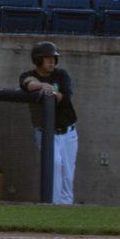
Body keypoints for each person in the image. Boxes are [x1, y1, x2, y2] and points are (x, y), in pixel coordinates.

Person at [19, 42, 78, 205]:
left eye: (53, 58)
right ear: (38, 60)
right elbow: (26, 83)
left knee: (67, 172)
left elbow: (64, 97)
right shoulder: (29, 75)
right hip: (45, 132)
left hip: (68, 132)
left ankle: (66, 205)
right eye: (47, 58)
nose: (52, 61)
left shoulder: (61, 75)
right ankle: (53, 204)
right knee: (54, 164)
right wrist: (42, 85)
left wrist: (52, 91)